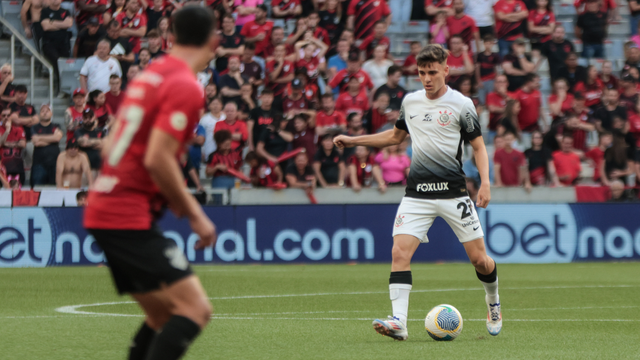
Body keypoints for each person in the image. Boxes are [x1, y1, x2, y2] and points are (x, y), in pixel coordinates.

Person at [333, 44, 501, 340]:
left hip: (454, 194)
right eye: (422, 72)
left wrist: (486, 182)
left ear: (446, 70)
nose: (426, 78)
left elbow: (477, 146)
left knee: (480, 261)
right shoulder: (410, 102)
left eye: (432, 72)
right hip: (417, 196)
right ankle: (399, 322)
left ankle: (493, 301)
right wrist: (354, 140)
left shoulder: (461, 104)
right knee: (399, 252)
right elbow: (395, 136)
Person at [84, 7, 218, 360]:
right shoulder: (186, 85)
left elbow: (112, 143)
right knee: (195, 310)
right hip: (124, 214)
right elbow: (157, 157)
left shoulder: (149, 74)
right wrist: (195, 215)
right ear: (214, 40)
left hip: (105, 206)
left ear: (170, 37)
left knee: (161, 315)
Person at [41, 0, 73, 93]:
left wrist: (52, 23)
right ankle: (59, 89)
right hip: (49, 44)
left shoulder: (66, 11)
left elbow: (69, 24)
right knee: (58, 62)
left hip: (63, 44)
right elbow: (45, 27)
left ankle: (64, 89)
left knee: (65, 65)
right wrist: (62, 24)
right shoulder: (45, 11)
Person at [30, 104, 63, 186]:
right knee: (37, 188)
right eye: (42, 111)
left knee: (55, 188)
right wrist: (52, 139)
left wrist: (40, 137)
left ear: (51, 113)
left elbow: (57, 138)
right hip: (39, 164)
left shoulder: (56, 126)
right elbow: (36, 142)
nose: (45, 113)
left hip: (55, 163)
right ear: (39, 114)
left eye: (47, 111)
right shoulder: (34, 127)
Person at [74, 108, 105, 175]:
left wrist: (88, 142)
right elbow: (83, 143)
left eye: (90, 117)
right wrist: (98, 141)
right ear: (83, 118)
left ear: (94, 118)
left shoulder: (100, 131)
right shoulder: (79, 131)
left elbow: (105, 144)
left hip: (99, 167)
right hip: (84, 168)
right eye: (85, 118)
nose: (88, 120)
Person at [0, 111, 26, 187]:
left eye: (8, 115)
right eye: (4, 115)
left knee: (17, 194)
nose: (6, 117)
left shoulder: (18, 129)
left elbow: (23, 144)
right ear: (0, 117)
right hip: (3, 167)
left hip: (17, 166)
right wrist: (7, 131)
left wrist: (6, 143)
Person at [476, 34, 501, 104]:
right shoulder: (480, 55)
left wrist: (496, 80)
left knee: (491, 98)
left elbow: (496, 68)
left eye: (490, 43)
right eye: (486, 43)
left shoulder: (495, 56)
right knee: (482, 100)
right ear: (483, 44)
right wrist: (478, 80)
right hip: (482, 80)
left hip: (492, 80)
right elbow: (477, 68)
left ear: (492, 44)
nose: (488, 45)